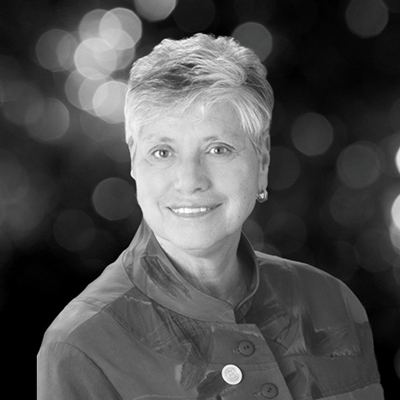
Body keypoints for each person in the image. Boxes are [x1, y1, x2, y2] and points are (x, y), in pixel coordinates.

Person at [37, 33, 384, 399]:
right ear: (134, 162)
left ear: (262, 160)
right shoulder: (81, 348)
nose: (190, 181)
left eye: (218, 148)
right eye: (162, 152)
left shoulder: (332, 302)